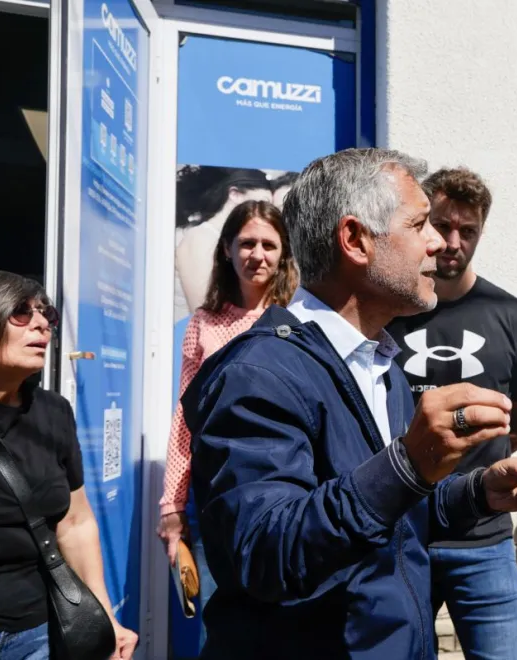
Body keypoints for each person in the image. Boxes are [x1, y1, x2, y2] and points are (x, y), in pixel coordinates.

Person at [182, 148, 517, 659]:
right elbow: (266, 552)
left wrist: (475, 494)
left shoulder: (380, 364)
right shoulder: (257, 374)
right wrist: (408, 464)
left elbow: (393, 518)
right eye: (420, 224)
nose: (436, 243)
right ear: (355, 240)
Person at [386, 167, 517, 659]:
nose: (454, 242)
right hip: (402, 537)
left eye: (469, 230)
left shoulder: (514, 316)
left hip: (484, 540)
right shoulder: (390, 312)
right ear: (424, 224)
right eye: (442, 225)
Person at [157, 200, 298, 644]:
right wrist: (172, 505)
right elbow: (185, 420)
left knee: (289, 630)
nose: (258, 255)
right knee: (218, 632)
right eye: (247, 243)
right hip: (214, 497)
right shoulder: (204, 323)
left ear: (283, 253)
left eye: (269, 245)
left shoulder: (298, 319)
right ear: (227, 250)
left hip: (288, 495)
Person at [0, 271, 137, 660]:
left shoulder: (54, 413)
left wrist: (105, 617)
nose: (42, 323)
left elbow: (75, 523)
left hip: (35, 630)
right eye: (22, 311)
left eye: (47, 313)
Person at [174, 167, 273, 316]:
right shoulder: (201, 238)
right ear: (235, 194)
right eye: (263, 202)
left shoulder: (228, 240)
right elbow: (203, 310)